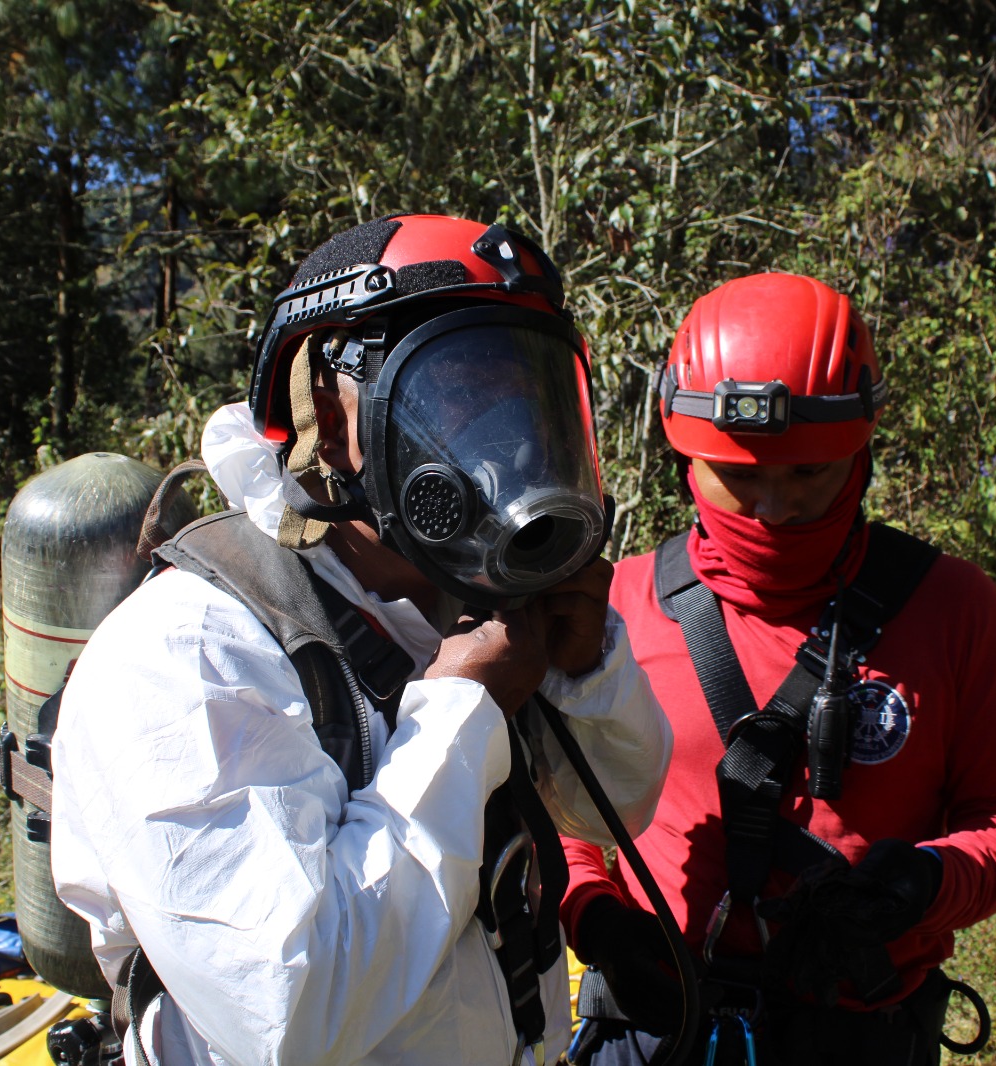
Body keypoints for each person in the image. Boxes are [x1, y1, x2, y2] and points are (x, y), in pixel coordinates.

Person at [51, 214, 673, 1065]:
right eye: (458, 393)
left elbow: (617, 810)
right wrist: (463, 711)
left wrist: (584, 670)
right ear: (327, 415)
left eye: (522, 396)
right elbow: (293, 1013)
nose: (507, 442)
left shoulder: (477, 597)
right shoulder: (188, 652)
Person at [561, 273, 996, 1065]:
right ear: (686, 457)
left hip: (860, 1032)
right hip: (655, 1025)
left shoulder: (952, 609)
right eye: (740, 476)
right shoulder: (621, 607)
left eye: (806, 474)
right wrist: (597, 919)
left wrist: (927, 883)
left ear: (860, 452)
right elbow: (563, 818)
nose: (773, 509)